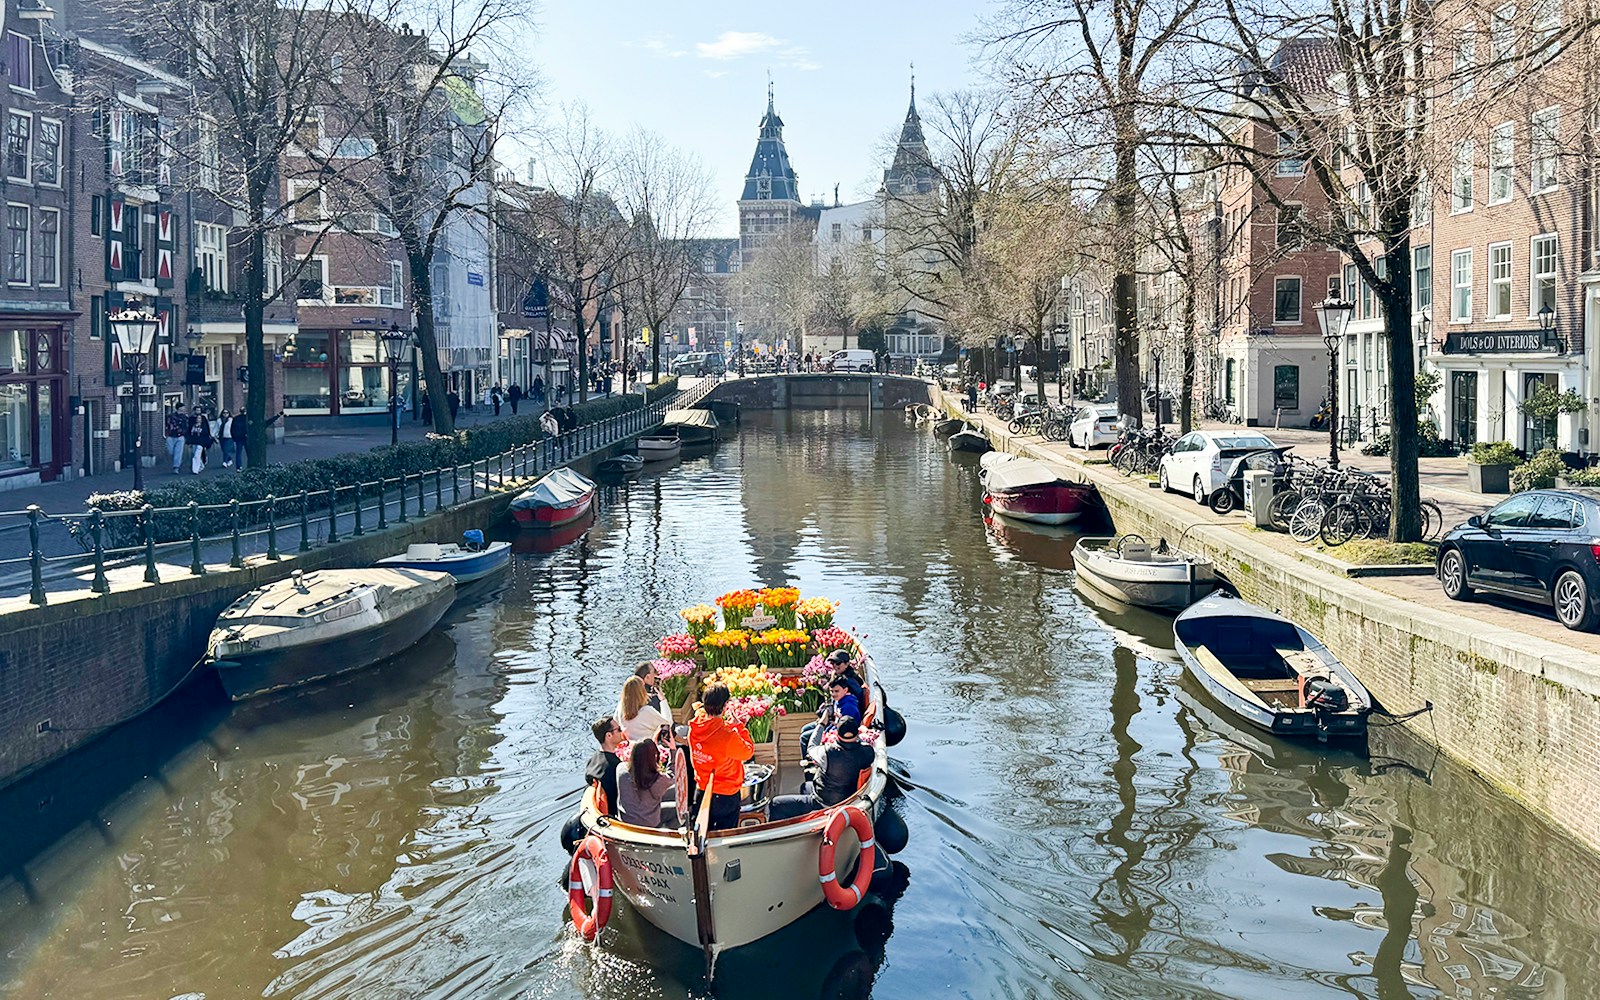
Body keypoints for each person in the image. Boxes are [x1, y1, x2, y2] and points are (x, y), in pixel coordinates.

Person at [768, 718, 875, 820]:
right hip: (847, 799)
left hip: (824, 803)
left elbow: (811, 747)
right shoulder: (868, 752)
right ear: (857, 733)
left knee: (775, 804)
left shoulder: (826, 753)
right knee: (805, 787)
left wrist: (821, 724)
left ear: (837, 734)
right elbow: (858, 746)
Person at [687, 684, 754, 832]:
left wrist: (731, 726)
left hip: (702, 791)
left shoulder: (695, 726)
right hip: (725, 796)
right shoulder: (728, 737)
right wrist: (740, 728)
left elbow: (714, 731)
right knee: (725, 837)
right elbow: (748, 752)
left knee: (703, 834)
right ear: (724, 706)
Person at [616, 738, 674, 828]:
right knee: (675, 809)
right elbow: (672, 776)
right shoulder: (658, 780)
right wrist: (673, 751)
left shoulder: (620, 769)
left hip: (626, 820)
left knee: (671, 793)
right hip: (649, 824)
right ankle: (664, 834)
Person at [801, 677, 863, 757]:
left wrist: (832, 725)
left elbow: (848, 727)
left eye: (836, 691)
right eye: (831, 691)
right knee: (804, 729)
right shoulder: (839, 699)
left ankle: (809, 762)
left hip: (836, 732)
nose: (833, 694)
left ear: (845, 690)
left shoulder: (849, 707)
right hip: (831, 724)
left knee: (804, 737)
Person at [585, 715, 625, 817]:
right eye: (619, 729)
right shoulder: (615, 766)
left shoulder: (593, 760)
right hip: (615, 813)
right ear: (609, 736)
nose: (622, 731)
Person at [616, 675, 673, 744]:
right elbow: (668, 723)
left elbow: (616, 723)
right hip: (648, 748)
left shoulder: (620, 708)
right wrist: (663, 700)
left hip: (630, 747)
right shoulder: (646, 711)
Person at [165, 402, 189, 474]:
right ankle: (177, 462)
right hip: (170, 436)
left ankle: (176, 467)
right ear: (179, 408)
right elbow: (167, 424)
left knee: (178, 452)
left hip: (180, 436)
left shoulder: (185, 417)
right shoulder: (171, 416)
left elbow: (187, 427)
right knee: (171, 451)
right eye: (183, 407)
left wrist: (185, 435)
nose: (184, 408)